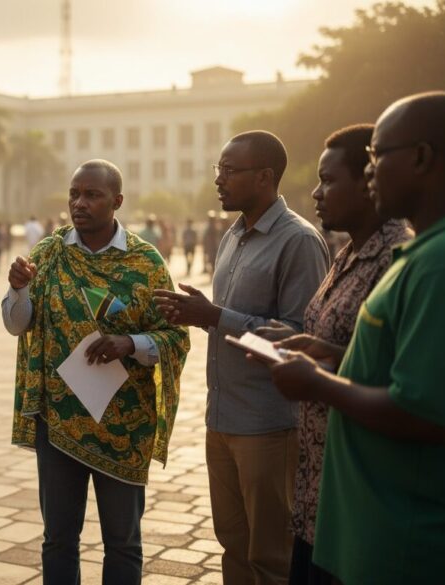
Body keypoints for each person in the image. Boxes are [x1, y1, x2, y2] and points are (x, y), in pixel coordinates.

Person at [266, 92, 445, 584]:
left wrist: (318, 383)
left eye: (377, 155)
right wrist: (334, 356)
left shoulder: (442, 263)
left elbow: (424, 414)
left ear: (421, 157)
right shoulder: (424, 253)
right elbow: (397, 365)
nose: (371, 170)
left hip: (401, 539)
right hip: (358, 521)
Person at [154, 131, 329, 585]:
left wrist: (215, 316)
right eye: (219, 169)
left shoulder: (298, 241)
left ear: (265, 177)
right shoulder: (233, 234)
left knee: (271, 556)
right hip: (222, 417)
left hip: (268, 424)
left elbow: (301, 339)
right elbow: (231, 320)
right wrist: (201, 315)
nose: (219, 179)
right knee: (232, 544)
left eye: (230, 170)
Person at [3, 159, 189, 584]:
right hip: (59, 422)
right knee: (58, 540)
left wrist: (130, 343)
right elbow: (17, 325)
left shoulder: (145, 262)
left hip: (125, 424)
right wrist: (18, 289)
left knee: (122, 542)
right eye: (74, 194)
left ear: (117, 201)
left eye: (92, 195)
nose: (79, 203)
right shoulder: (48, 254)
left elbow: (175, 337)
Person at [252, 124, 411, 585]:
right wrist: (309, 345)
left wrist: (320, 374)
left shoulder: (400, 257)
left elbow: (405, 379)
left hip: (363, 482)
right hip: (317, 481)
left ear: (369, 181)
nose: (316, 193)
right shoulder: (346, 253)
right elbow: (353, 347)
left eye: (328, 180)